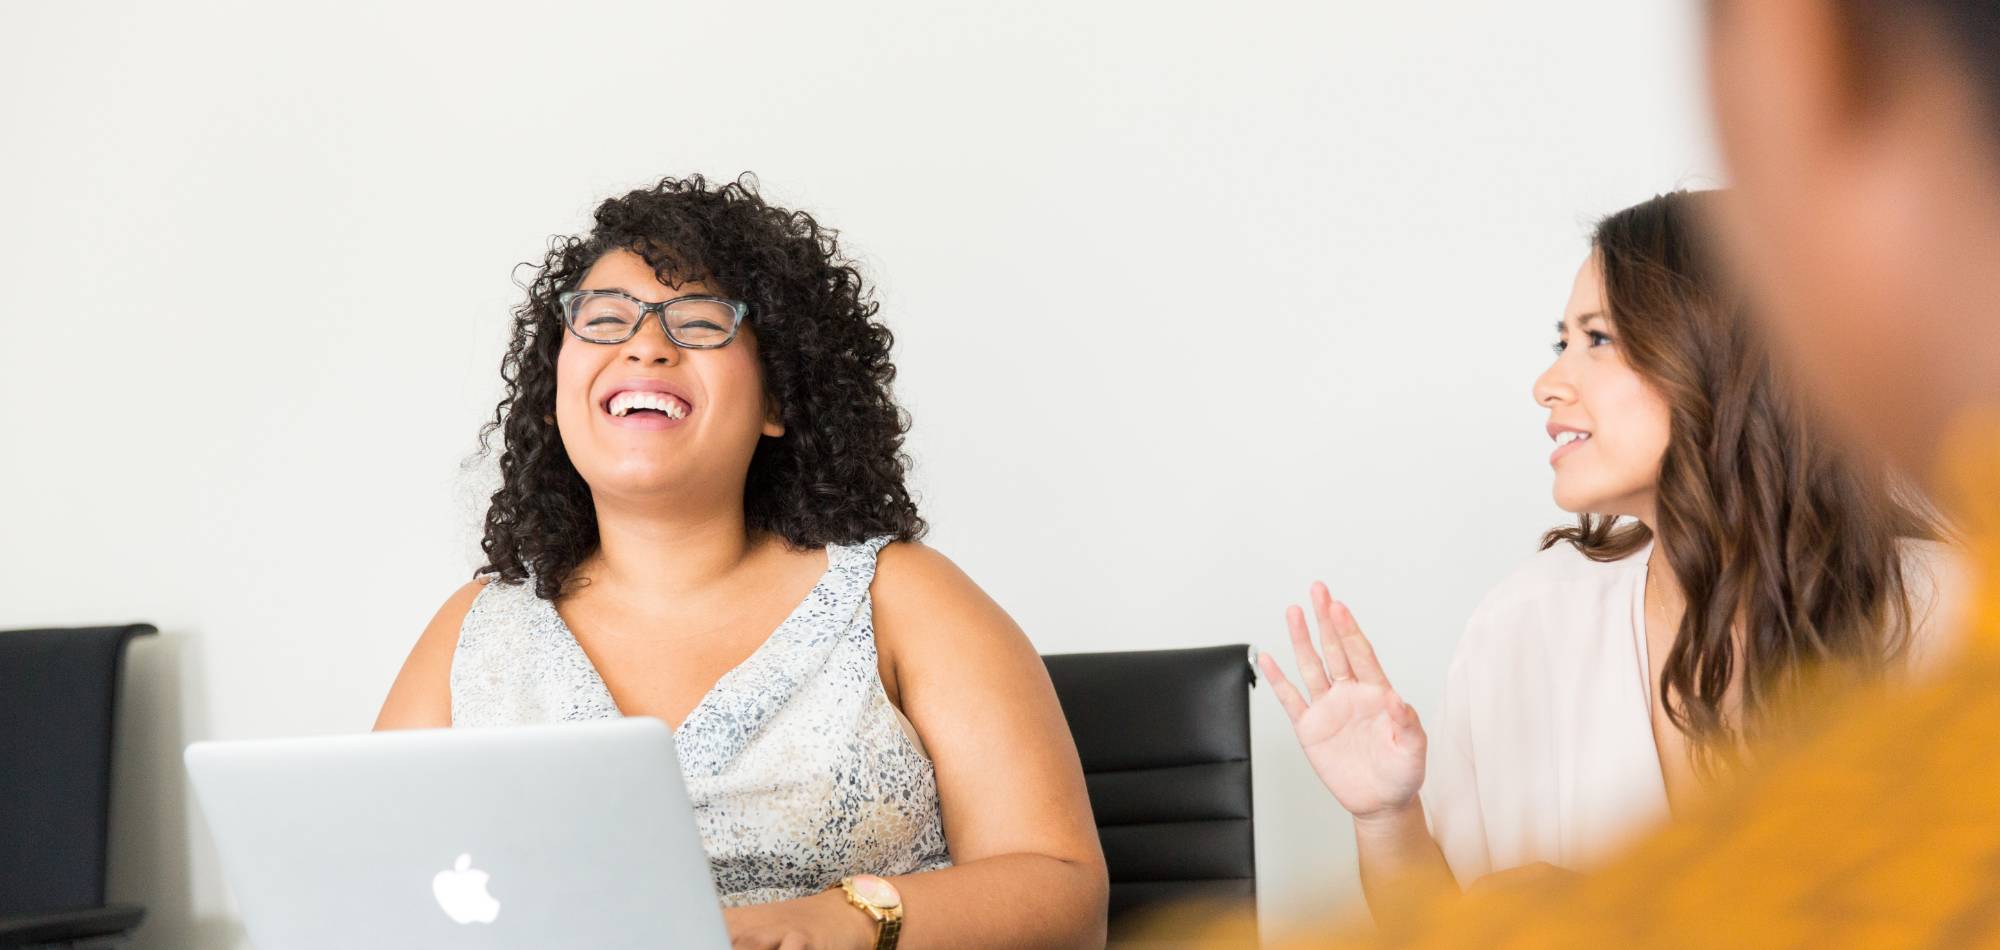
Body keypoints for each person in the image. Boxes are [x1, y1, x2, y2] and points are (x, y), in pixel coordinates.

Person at [374, 175, 1107, 949]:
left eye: (699, 323)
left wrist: (836, 922)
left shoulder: (903, 597)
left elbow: (1065, 891)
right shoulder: (477, 631)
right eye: (604, 319)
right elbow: (361, 883)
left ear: (776, 401)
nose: (645, 345)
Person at [1259, 189, 1960, 928]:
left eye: (1598, 339)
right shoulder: (1525, 625)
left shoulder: (1950, 615)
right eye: (1561, 342)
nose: (1548, 384)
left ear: (1725, 357)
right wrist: (1387, 817)